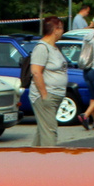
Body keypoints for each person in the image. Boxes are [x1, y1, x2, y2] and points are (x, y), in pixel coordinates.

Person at [29, 15, 69, 146]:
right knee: (50, 131)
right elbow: (36, 72)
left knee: (43, 130)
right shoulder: (42, 48)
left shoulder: (54, 47)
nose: (62, 31)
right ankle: (50, 160)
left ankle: (31, 159)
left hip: (56, 94)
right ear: (56, 29)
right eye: (61, 28)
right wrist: (44, 95)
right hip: (45, 96)